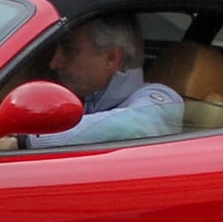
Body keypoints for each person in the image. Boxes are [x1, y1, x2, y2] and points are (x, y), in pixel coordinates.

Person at [14, 14, 182, 148]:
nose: (54, 63)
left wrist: (25, 141)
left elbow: (134, 126)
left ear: (111, 58)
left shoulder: (161, 99)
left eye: (69, 51)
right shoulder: (88, 101)